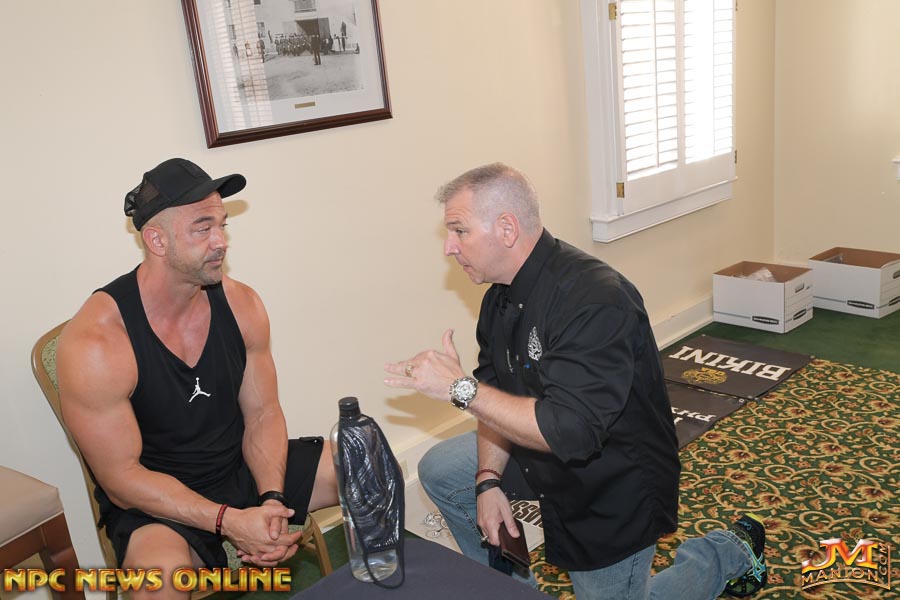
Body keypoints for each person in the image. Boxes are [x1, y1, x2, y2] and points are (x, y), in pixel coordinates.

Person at [384, 163, 767, 599]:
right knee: (443, 470)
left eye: (459, 231)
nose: (449, 247)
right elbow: (496, 398)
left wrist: (460, 390)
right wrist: (487, 480)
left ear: (506, 228)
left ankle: (730, 551)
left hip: (610, 481)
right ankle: (513, 590)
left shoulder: (596, 299)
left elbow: (571, 432)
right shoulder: (499, 300)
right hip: (542, 449)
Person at [57, 158, 339, 599]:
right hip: (159, 501)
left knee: (368, 464)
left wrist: (271, 499)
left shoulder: (242, 304)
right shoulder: (96, 342)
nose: (221, 241)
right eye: (202, 228)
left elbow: (263, 413)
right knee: (157, 584)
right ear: (157, 240)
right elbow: (122, 479)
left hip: (238, 466)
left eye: (222, 225)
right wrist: (228, 521)